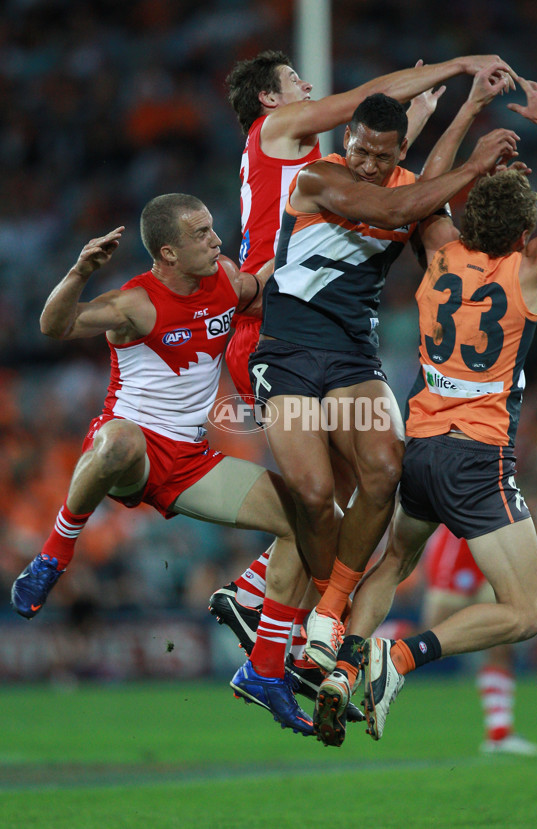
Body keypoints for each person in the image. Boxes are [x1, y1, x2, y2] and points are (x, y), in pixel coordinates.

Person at [210, 49, 515, 660]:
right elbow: (396, 198)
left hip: (348, 355)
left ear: (399, 152)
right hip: (280, 338)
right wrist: (455, 74)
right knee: (317, 494)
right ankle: (312, 608)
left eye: (385, 153)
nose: (310, 86)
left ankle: (292, 609)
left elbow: (416, 187)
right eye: (296, 81)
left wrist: (465, 111)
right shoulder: (311, 168)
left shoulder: (380, 168)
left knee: (376, 473)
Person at [317, 77, 537, 745]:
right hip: (477, 455)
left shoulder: (439, 250)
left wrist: (469, 129)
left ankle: (343, 668)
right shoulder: (528, 272)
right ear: (527, 232)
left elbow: (420, 188)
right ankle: (397, 657)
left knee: (394, 563)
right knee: (523, 613)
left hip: (422, 447)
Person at [9, 193, 314, 736]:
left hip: (189, 461)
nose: (217, 241)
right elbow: (54, 325)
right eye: (201, 234)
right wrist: (79, 270)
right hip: (128, 448)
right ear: (168, 252)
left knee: (304, 519)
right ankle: (54, 555)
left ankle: (264, 669)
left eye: (213, 230)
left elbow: (261, 285)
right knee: (120, 440)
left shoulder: (223, 278)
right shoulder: (135, 304)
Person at [422, 525, 537, 755]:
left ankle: (499, 733)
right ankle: (371, 642)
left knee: (505, 634)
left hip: (492, 547)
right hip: (459, 544)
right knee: (428, 638)